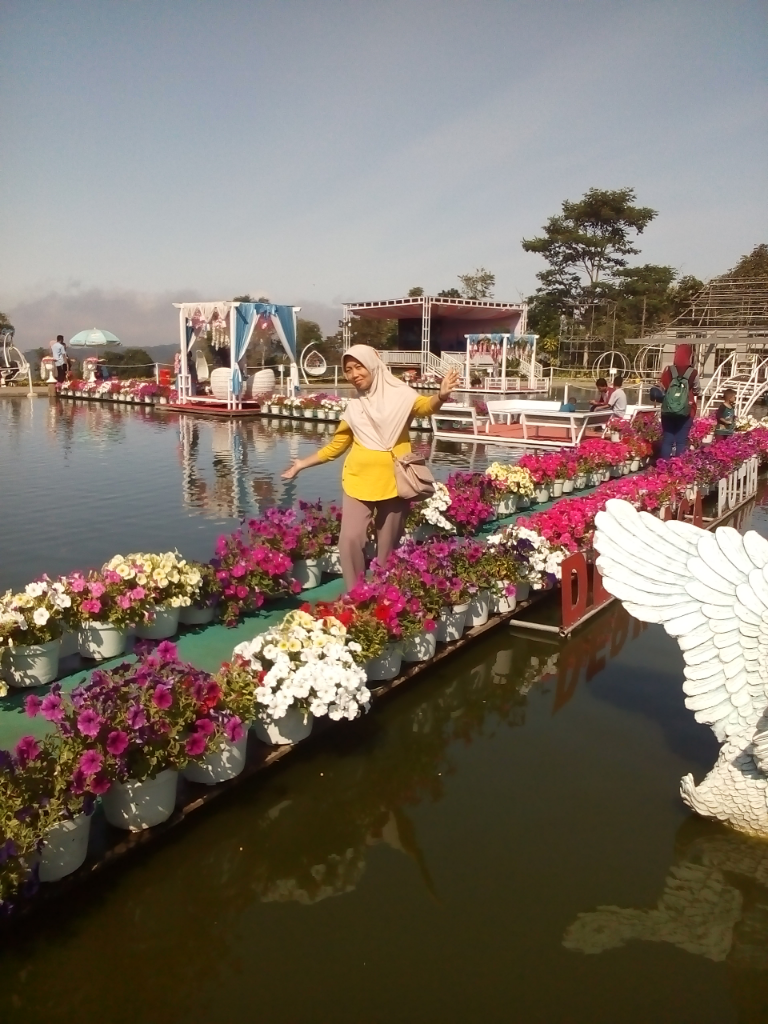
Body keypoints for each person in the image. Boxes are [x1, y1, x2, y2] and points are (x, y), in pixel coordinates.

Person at [282, 345, 460, 589]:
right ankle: (356, 593)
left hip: (396, 480)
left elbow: (424, 407)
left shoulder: (401, 395)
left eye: (358, 367)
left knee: (388, 542)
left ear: (373, 366)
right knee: (350, 539)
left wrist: (440, 396)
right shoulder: (355, 407)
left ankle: (384, 592)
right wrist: (302, 464)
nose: (353, 374)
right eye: (348, 370)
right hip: (359, 480)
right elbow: (337, 446)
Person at [659, 344, 701, 458]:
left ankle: (663, 467)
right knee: (681, 441)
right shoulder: (693, 373)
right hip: (686, 410)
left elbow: (662, 386)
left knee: (667, 440)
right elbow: (697, 391)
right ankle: (678, 468)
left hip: (668, 409)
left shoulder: (669, 370)